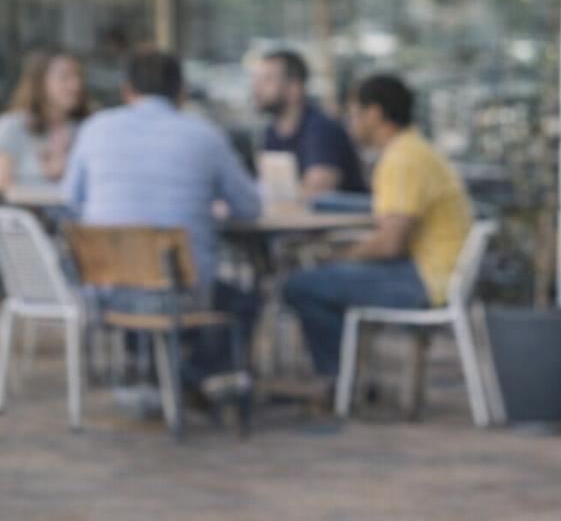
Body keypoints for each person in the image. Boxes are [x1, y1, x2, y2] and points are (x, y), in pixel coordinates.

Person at [63, 49, 262, 394]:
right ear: (180, 93)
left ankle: (159, 375)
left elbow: (71, 201)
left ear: (127, 91)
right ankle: (191, 377)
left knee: (150, 290)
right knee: (246, 300)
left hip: (106, 293)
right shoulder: (205, 135)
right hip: (179, 294)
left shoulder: (95, 129)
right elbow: (249, 207)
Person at [282, 73, 471, 383]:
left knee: (301, 286)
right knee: (322, 280)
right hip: (438, 273)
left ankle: (340, 379)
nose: (349, 121)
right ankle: (349, 374)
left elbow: (390, 244)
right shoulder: (414, 149)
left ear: (374, 113)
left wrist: (339, 256)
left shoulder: (401, 159)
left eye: (353, 112)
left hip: (425, 280)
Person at [251, 49, 368, 198]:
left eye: (267, 80)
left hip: (340, 220)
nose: (257, 88)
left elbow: (317, 191)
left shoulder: (321, 129)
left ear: (295, 87)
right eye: (256, 80)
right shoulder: (270, 133)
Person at [0, 49, 89, 192]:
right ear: (40, 82)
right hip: (22, 213)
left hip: (74, 213)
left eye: (78, 77)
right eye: (64, 77)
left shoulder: (87, 129)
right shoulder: (12, 127)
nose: (75, 86)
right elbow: (3, 185)